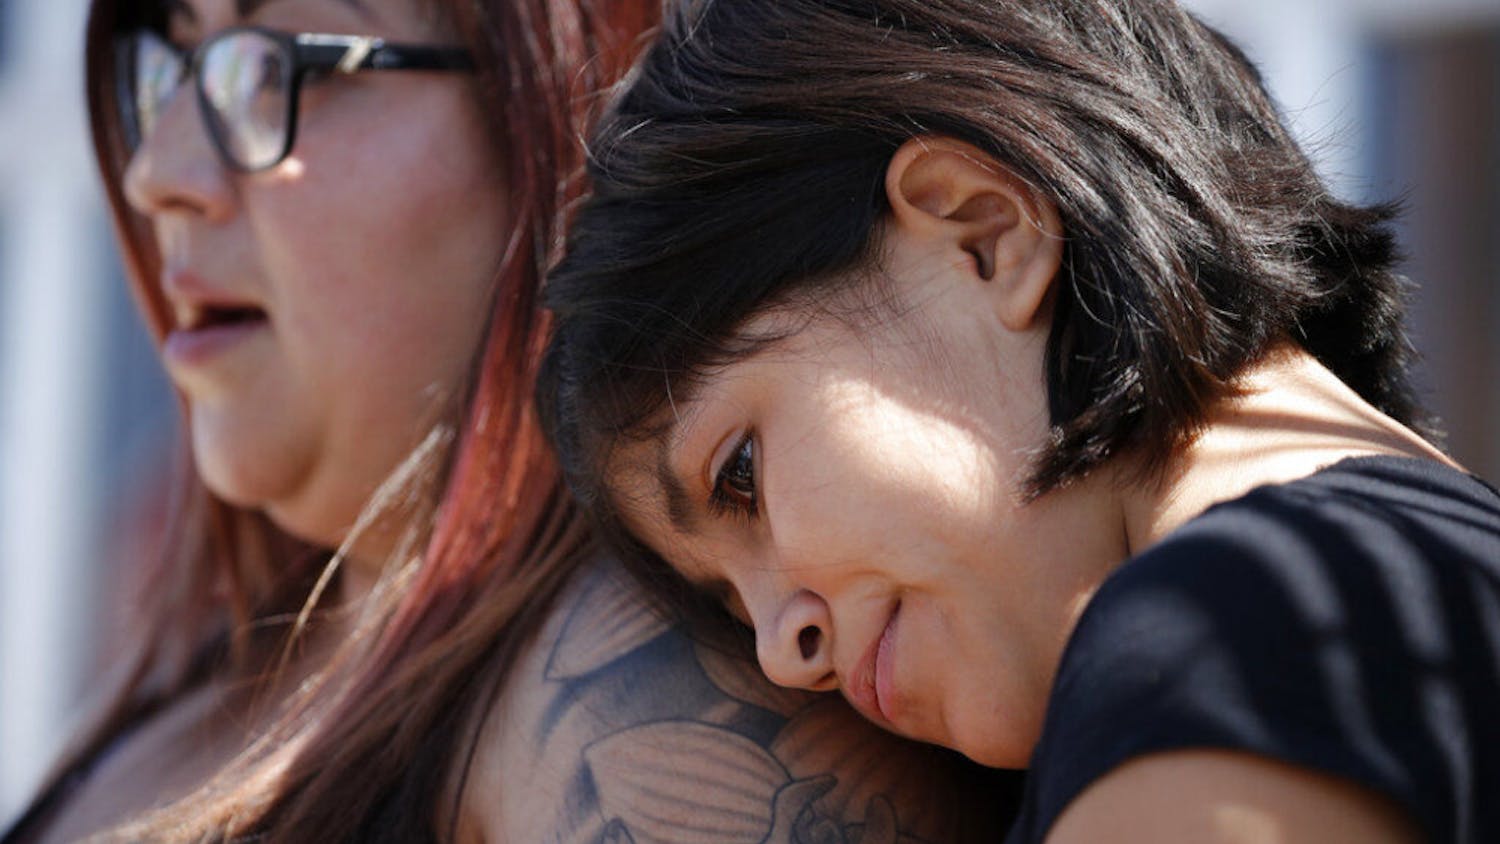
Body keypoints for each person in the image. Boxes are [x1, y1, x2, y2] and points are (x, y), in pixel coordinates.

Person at [0, 0, 1015, 841]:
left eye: (275, 66)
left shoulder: (642, 673)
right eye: (168, 68)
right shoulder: (241, 659)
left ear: (577, 110)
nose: (157, 170)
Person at [536, 0, 1500, 842]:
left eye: (740, 474)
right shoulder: (1412, 569)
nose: (781, 653)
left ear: (984, 235)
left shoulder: (1236, 624)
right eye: (730, 604)